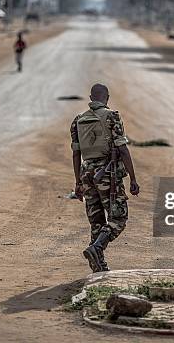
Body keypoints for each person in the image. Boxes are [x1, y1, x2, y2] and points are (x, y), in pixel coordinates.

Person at [70, 83, 140, 272]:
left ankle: (97, 266)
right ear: (106, 97)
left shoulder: (78, 120)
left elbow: (76, 154)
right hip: (108, 174)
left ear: (91, 98)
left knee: (96, 222)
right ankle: (97, 247)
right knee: (119, 217)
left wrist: (78, 183)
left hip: (87, 175)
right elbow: (123, 149)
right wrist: (133, 179)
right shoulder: (112, 116)